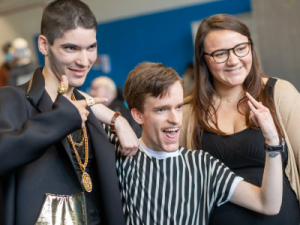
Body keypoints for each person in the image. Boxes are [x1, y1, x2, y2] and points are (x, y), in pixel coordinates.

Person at [89, 62, 283, 225]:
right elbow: (70, 98)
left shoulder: (202, 165)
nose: (175, 119)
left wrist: (273, 142)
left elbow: (268, 204)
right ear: (138, 115)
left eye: (179, 107)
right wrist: (118, 121)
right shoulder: (123, 148)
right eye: (161, 110)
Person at [0, 0, 138, 224]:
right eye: (70, 48)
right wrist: (61, 119)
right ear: (44, 45)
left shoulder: (90, 110)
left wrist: (118, 120)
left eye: (91, 47)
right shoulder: (12, 99)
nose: (84, 61)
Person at [179, 14, 300, 224]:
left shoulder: (278, 93)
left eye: (240, 48)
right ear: (203, 59)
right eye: (220, 54)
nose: (233, 60)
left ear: (251, 47)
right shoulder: (187, 112)